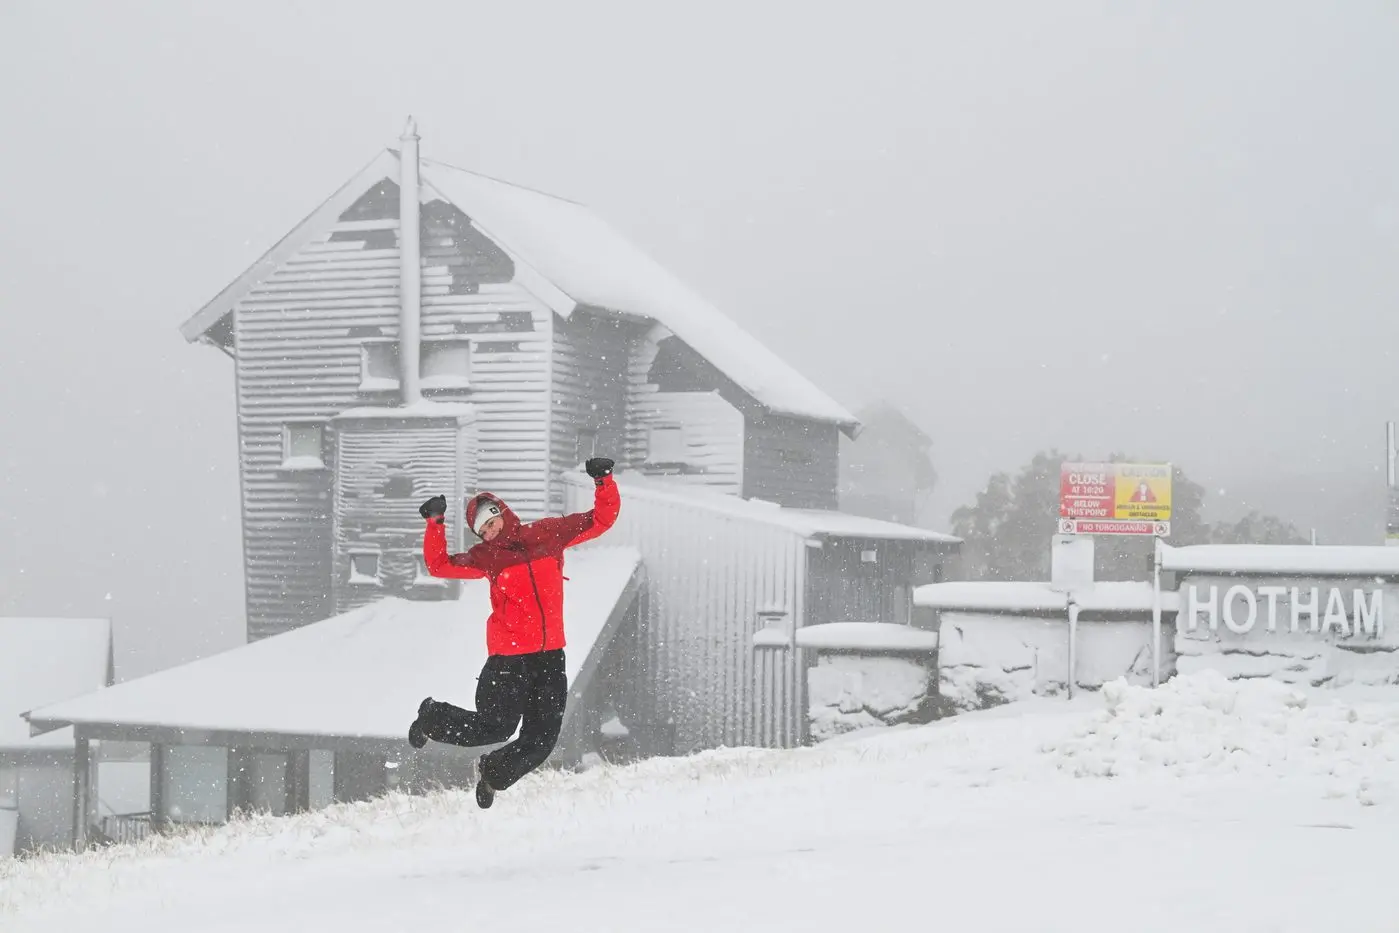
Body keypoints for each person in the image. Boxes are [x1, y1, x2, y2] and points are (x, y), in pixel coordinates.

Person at [408, 456, 620, 809]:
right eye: (483, 531)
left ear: (502, 511)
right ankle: (431, 718)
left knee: (542, 739)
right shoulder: (486, 557)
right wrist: (435, 521)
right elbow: (439, 564)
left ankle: (493, 773)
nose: (490, 531)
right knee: (495, 727)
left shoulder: (548, 535)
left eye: (491, 521)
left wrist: (603, 480)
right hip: (508, 661)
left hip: (550, 657)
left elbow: (601, 519)